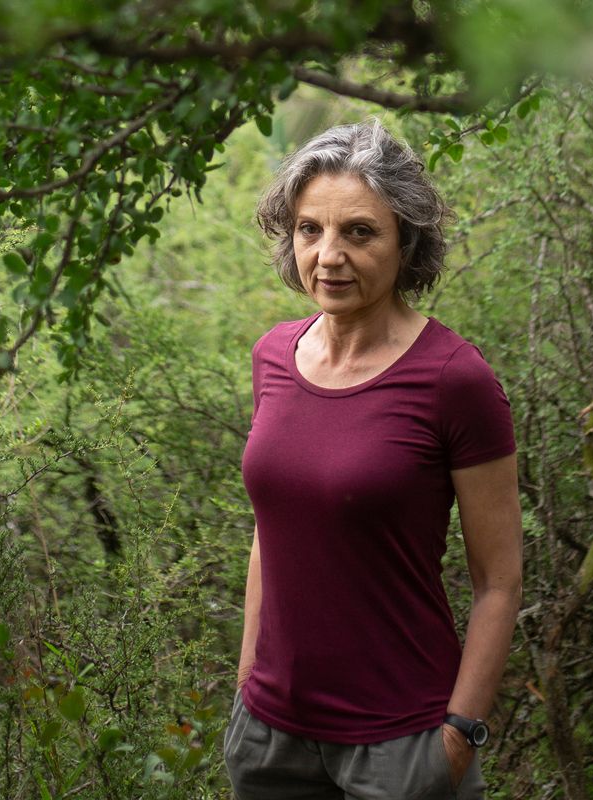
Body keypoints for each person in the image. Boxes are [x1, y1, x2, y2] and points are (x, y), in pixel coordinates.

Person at [224, 119, 523, 800]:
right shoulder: (273, 356)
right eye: (310, 230)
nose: (328, 256)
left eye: (359, 232)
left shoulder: (454, 379)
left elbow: (500, 581)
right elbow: (271, 531)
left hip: (402, 746)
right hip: (271, 743)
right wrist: (247, 690)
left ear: (406, 241)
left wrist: (458, 735)